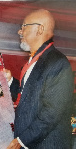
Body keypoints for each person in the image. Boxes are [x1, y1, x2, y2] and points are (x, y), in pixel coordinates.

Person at [6, 9, 74, 149]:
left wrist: (22, 141)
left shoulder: (58, 63)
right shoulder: (35, 60)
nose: (20, 31)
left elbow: (51, 113)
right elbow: (26, 97)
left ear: (39, 29)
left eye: (24, 26)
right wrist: (9, 81)